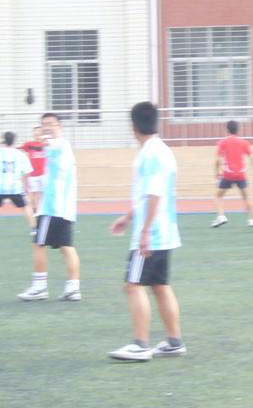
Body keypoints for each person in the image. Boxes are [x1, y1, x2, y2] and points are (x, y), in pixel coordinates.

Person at [108, 102, 185, 362]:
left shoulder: (149, 153)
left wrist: (145, 231)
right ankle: (174, 342)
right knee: (160, 286)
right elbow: (149, 195)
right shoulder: (163, 150)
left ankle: (140, 345)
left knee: (133, 285)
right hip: (165, 231)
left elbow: (154, 193)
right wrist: (129, 217)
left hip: (153, 232)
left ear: (133, 126)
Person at [17, 113, 81, 301]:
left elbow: (48, 145)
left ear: (59, 126)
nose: (46, 127)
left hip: (52, 207)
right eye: (43, 124)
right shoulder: (61, 147)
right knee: (66, 246)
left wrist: (43, 142)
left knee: (39, 244)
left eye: (50, 124)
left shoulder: (58, 145)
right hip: (65, 208)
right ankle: (73, 288)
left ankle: (39, 287)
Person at [211, 120, 253, 228]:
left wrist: (217, 172)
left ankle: (221, 216)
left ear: (227, 130)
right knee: (246, 197)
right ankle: (252, 219)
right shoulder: (244, 143)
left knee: (218, 196)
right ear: (238, 130)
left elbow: (218, 160)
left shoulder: (223, 143)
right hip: (241, 174)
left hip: (228, 174)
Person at [20, 126, 47, 214]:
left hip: (43, 174)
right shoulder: (29, 144)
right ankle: (34, 209)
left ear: (42, 134)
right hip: (32, 174)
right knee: (33, 193)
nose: (37, 134)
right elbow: (20, 148)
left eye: (39, 132)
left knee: (43, 193)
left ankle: (42, 209)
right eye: (35, 132)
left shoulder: (46, 145)